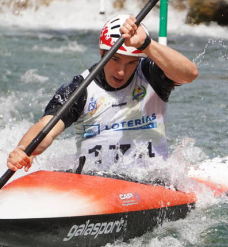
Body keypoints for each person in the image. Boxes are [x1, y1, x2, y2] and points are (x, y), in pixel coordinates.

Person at [7, 14, 198, 172]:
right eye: (115, 59)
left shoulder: (150, 73)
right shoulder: (80, 90)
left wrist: (146, 45)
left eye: (131, 62)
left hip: (149, 181)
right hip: (96, 182)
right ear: (101, 52)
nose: (121, 71)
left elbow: (190, 74)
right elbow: (46, 128)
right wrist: (24, 150)